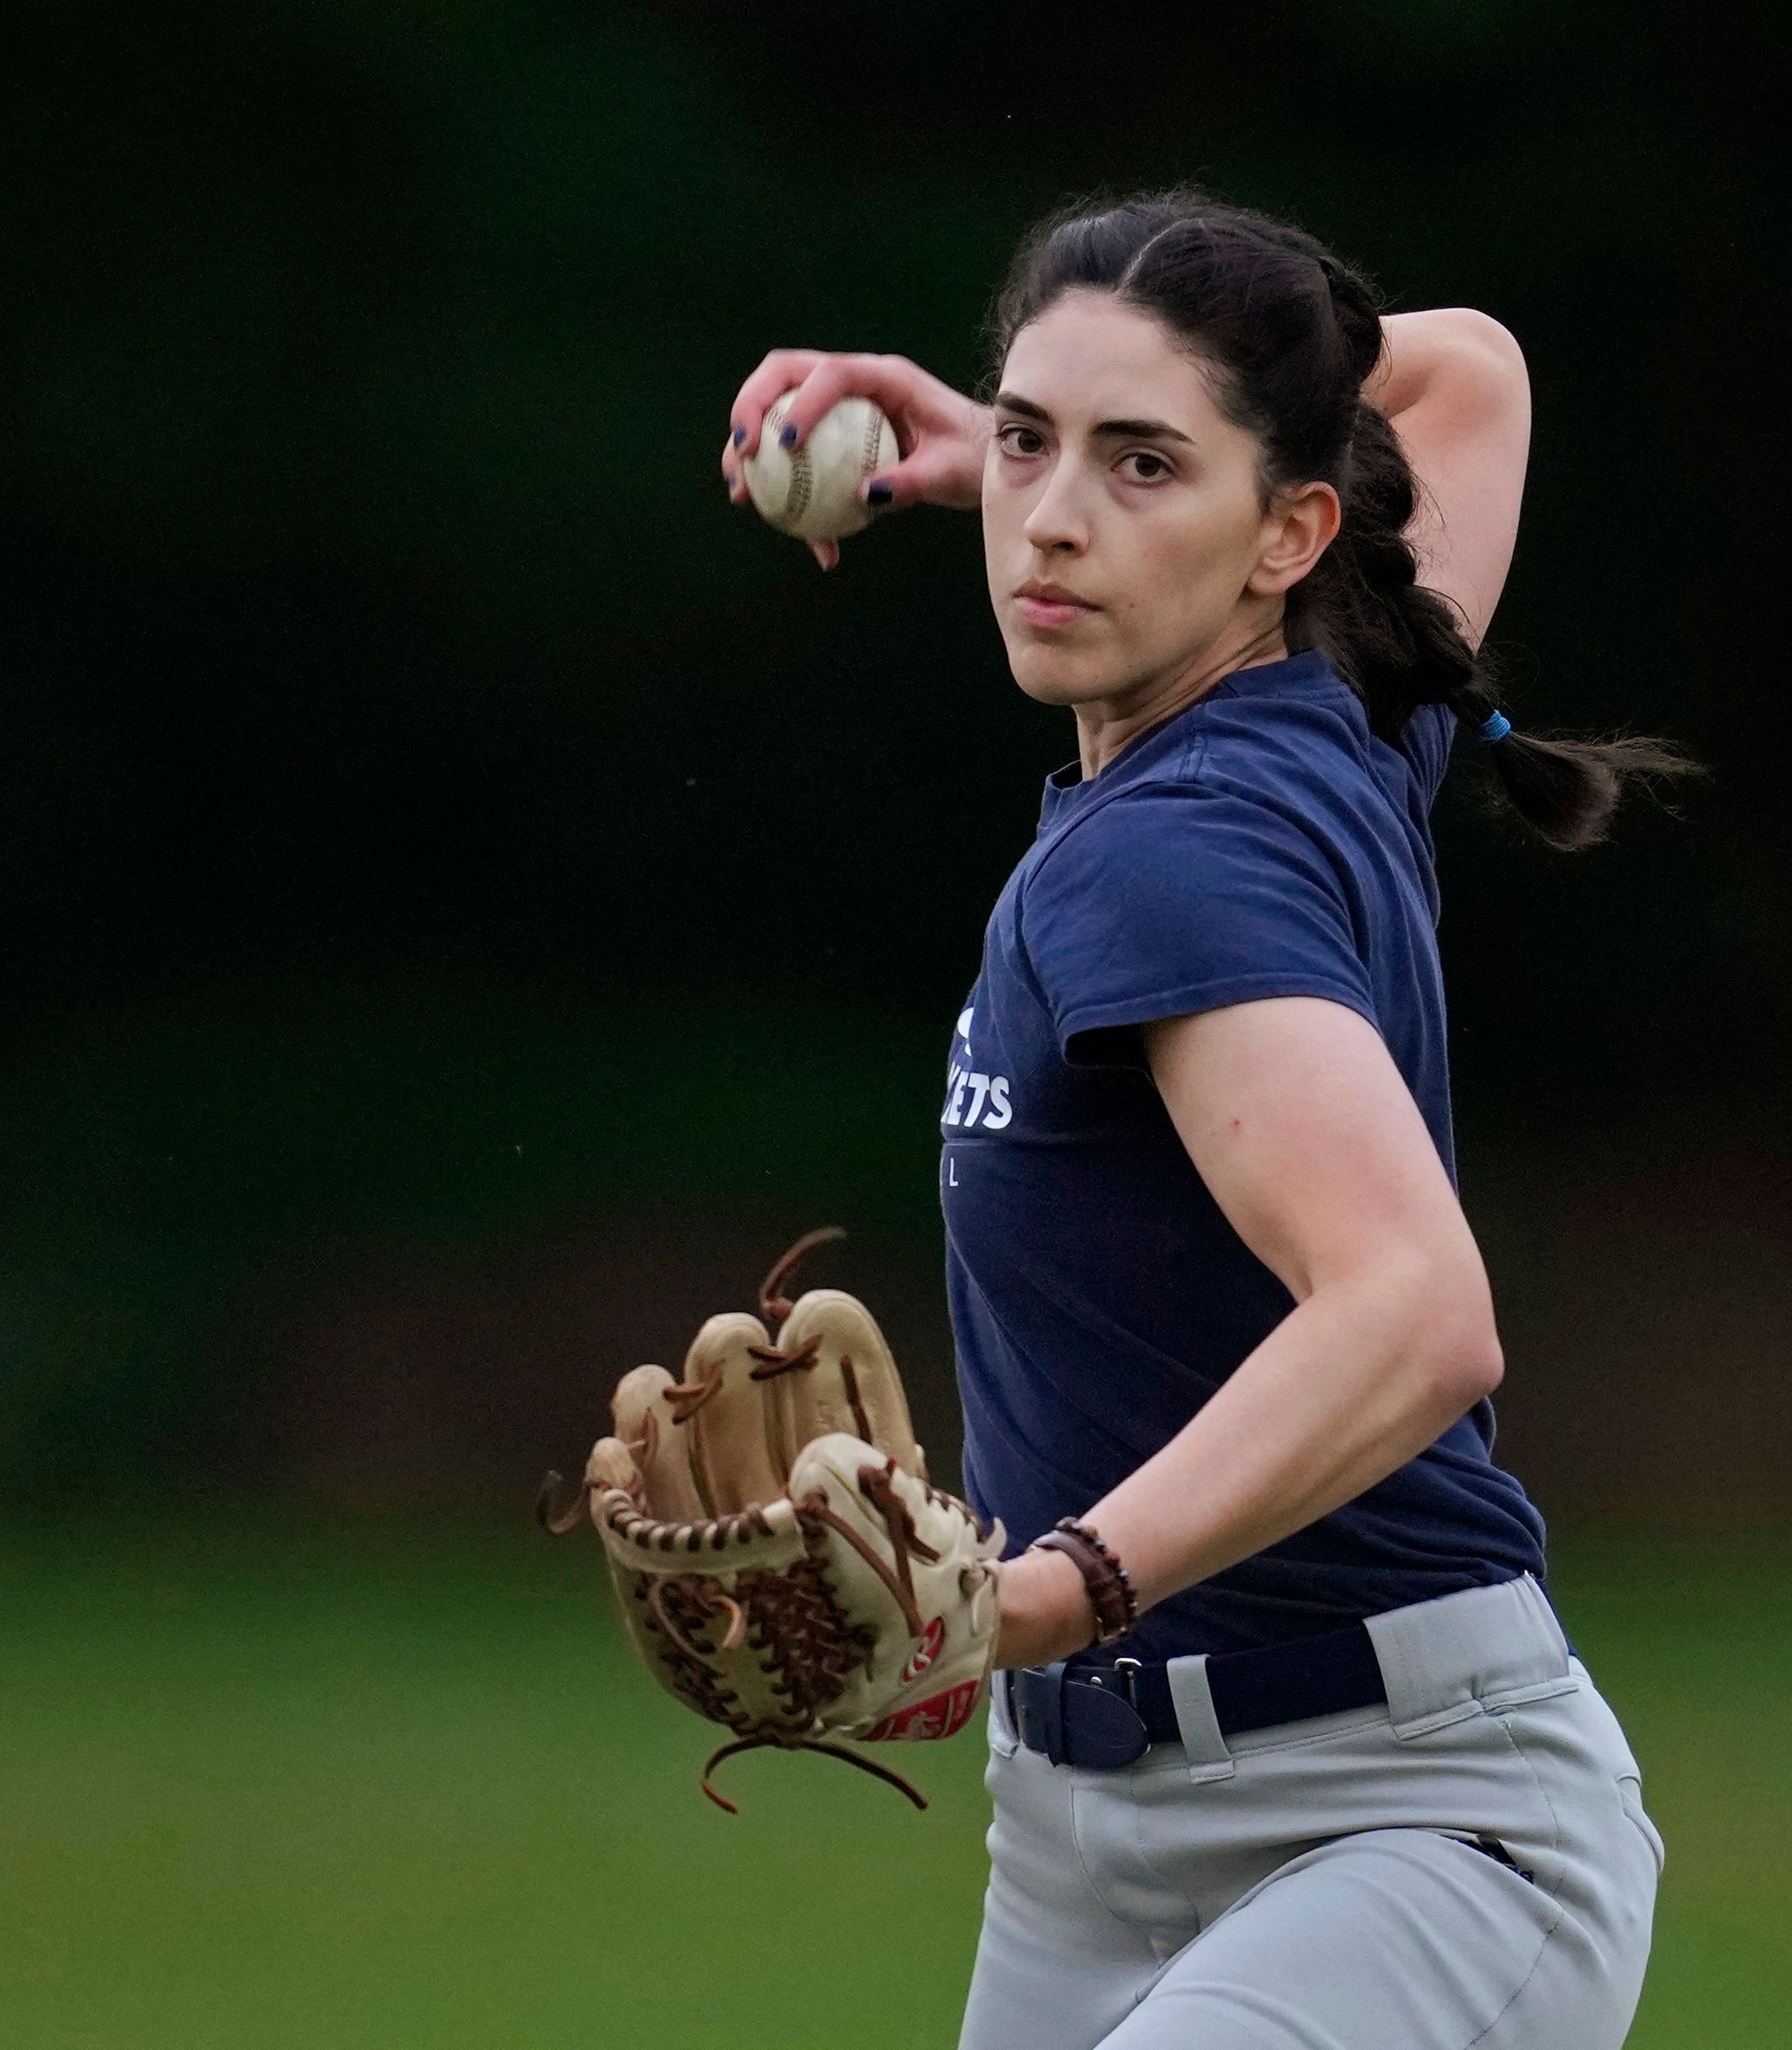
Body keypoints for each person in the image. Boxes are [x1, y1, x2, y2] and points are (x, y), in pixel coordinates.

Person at [718, 191, 1682, 2050]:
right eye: (1027, 441)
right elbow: (1472, 373)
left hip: (1404, 1818)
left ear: (1291, 529)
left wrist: (1042, 1593)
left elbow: (1414, 1309)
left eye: (1142, 465)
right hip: (1089, 1845)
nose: (1054, 514)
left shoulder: (1169, 856)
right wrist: (1175, 424)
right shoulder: (1335, 693)